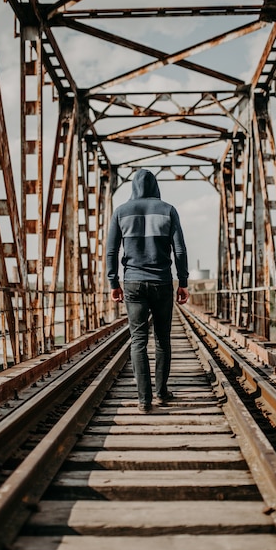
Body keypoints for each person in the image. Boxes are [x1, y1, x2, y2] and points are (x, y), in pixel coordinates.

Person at [106, 168, 190, 413]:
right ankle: (162, 392)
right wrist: (182, 281)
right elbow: (180, 250)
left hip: (133, 283)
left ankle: (144, 400)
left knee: (138, 340)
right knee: (163, 339)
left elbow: (111, 251)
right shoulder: (168, 210)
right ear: (155, 187)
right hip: (162, 282)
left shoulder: (121, 212)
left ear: (133, 187)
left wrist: (114, 283)